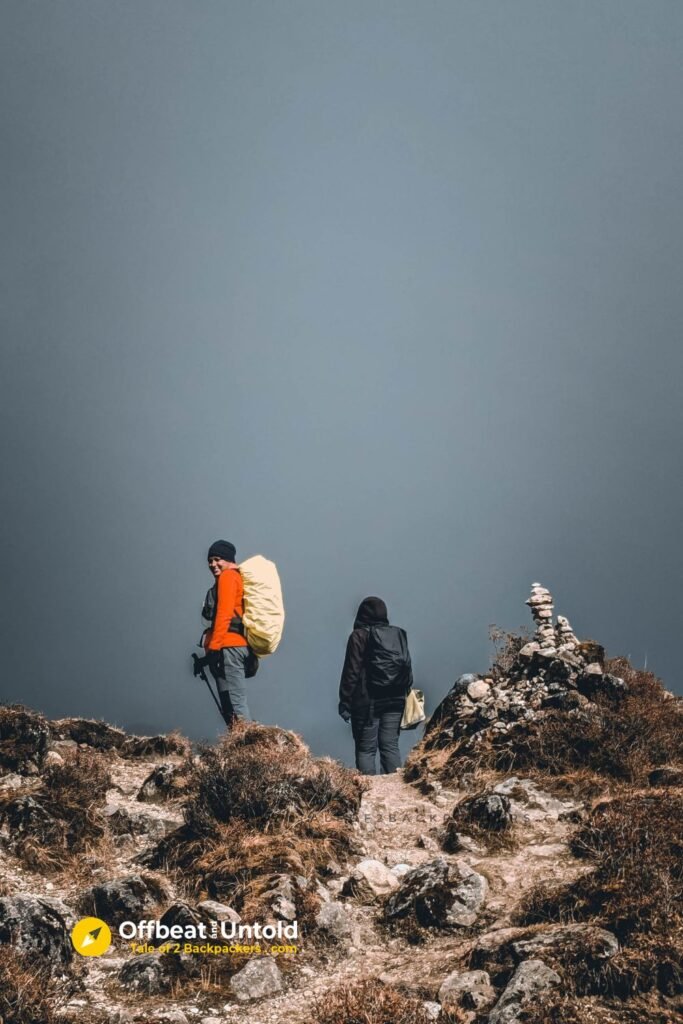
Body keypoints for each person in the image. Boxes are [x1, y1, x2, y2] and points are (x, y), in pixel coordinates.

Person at [338, 596, 413, 775]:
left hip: (367, 703)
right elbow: (407, 668)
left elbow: (351, 672)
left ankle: (368, 793)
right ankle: (395, 790)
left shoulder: (358, 636)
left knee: (366, 749)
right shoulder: (397, 635)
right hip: (396, 699)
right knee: (390, 746)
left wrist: (345, 701)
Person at [200, 540, 251, 726]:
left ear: (228, 560)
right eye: (210, 561)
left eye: (217, 559)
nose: (212, 564)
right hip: (225, 647)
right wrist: (207, 657)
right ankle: (238, 742)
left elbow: (225, 613)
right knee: (228, 704)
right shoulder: (230, 578)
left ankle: (251, 743)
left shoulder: (229, 577)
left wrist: (213, 647)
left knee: (237, 703)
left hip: (230, 646)